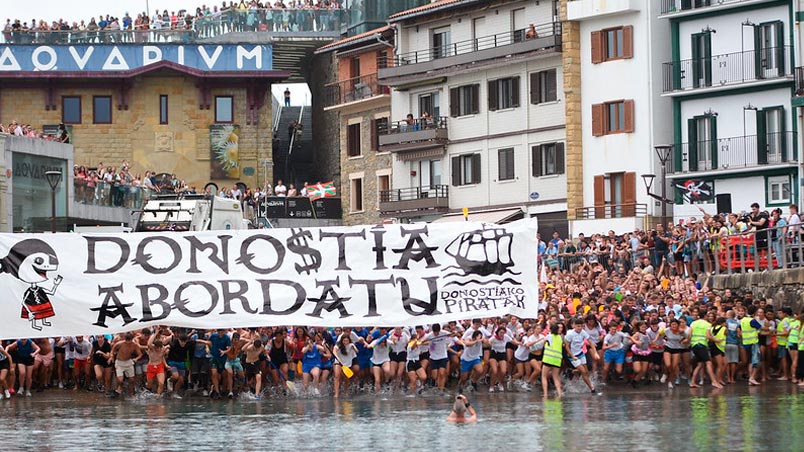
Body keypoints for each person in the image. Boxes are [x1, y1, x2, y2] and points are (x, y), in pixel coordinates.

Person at [111, 332, 143, 397]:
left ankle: (132, 394)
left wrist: (136, 359)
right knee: (120, 380)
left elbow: (140, 354)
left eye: (129, 341)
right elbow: (112, 350)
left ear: (132, 339)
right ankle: (119, 388)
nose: (128, 343)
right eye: (127, 341)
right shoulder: (119, 344)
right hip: (119, 363)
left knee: (132, 380)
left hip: (128, 362)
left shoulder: (134, 345)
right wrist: (111, 357)